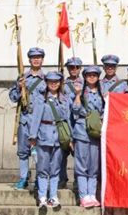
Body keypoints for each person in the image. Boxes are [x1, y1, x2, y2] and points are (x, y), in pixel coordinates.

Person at [28, 71, 73, 208]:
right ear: (46, 82)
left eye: (56, 81)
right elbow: (35, 119)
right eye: (50, 81)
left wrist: (71, 138)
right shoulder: (40, 98)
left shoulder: (64, 100)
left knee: (55, 169)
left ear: (60, 83)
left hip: (59, 138)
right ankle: (42, 196)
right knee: (42, 168)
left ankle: (53, 196)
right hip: (44, 136)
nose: (53, 84)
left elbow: (68, 120)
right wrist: (33, 137)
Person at [8, 47, 47, 190]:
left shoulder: (47, 79)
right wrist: (20, 88)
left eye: (39, 57)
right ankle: (23, 178)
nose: (36, 60)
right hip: (25, 119)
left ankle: (38, 179)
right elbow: (13, 97)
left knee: (39, 151)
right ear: (29, 60)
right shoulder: (22, 77)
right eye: (33, 57)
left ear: (42, 60)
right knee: (23, 152)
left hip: (40, 121)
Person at [72, 65, 104, 208]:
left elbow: (105, 110)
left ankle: (92, 194)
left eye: (94, 75)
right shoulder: (80, 90)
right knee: (81, 165)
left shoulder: (101, 92)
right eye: (89, 75)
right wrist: (77, 95)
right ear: (85, 77)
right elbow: (75, 110)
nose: (92, 77)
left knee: (93, 165)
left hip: (96, 131)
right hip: (82, 130)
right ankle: (83, 196)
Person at [59, 56, 83, 189]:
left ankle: (78, 180)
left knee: (78, 154)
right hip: (64, 121)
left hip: (79, 122)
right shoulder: (62, 83)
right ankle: (62, 178)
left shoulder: (85, 84)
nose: (74, 70)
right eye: (71, 67)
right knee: (62, 152)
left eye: (76, 67)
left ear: (80, 69)